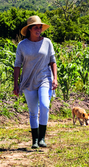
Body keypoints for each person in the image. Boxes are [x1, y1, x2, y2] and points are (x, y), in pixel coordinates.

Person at [13, 15, 58, 149]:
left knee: (44, 105)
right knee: (33, 111)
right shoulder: (22, 45)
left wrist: (55, 78)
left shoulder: (47, 42)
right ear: (30, 29)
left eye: (40, 27)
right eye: (36, 27)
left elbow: (52, 60)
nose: (39, 30)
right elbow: (17, 65)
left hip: (45, 78)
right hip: (27, 81)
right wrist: (16, 84)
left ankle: (42, 138)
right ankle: (35, 140)